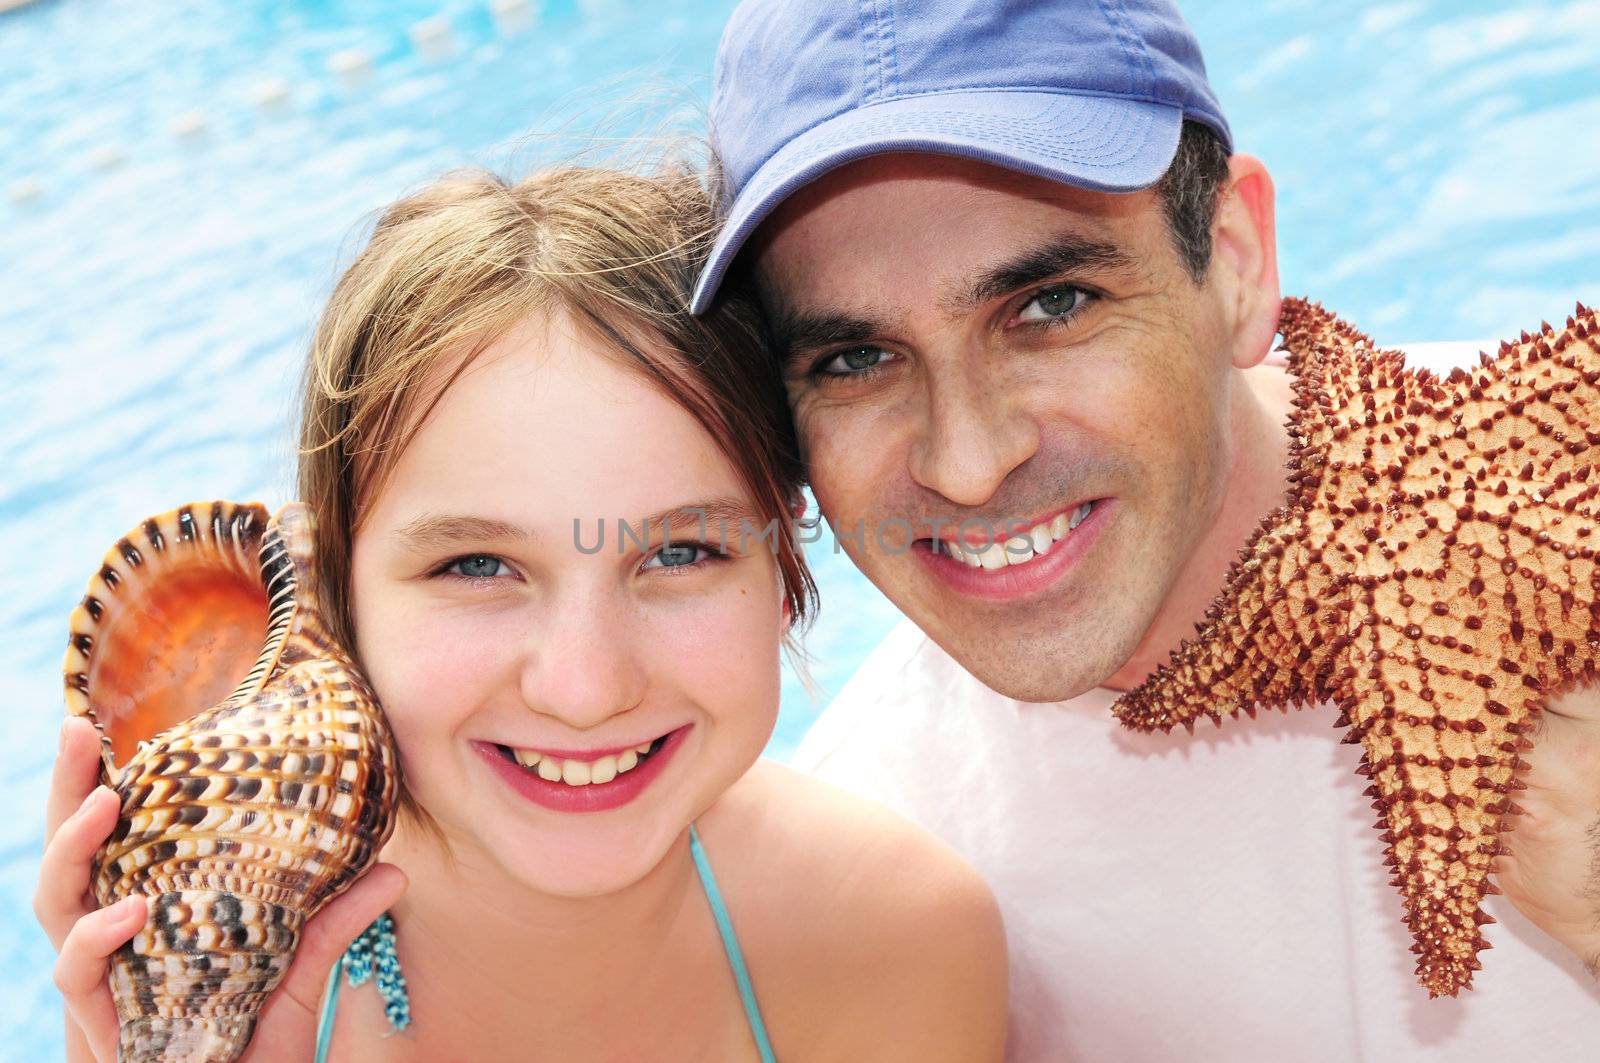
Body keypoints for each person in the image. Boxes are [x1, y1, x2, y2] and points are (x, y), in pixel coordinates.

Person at [689, 0, 1600, 1059]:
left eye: (1052, 304)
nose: (968, 462)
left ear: (1236, 258)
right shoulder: (880, 873)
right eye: (854, 361)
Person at [35, 163, 1007, 1061]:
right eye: (477, 565)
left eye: (678, 552)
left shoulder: (892, 938)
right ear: (335, 599)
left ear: (787, 554)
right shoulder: (198, 978)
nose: (583, 688)